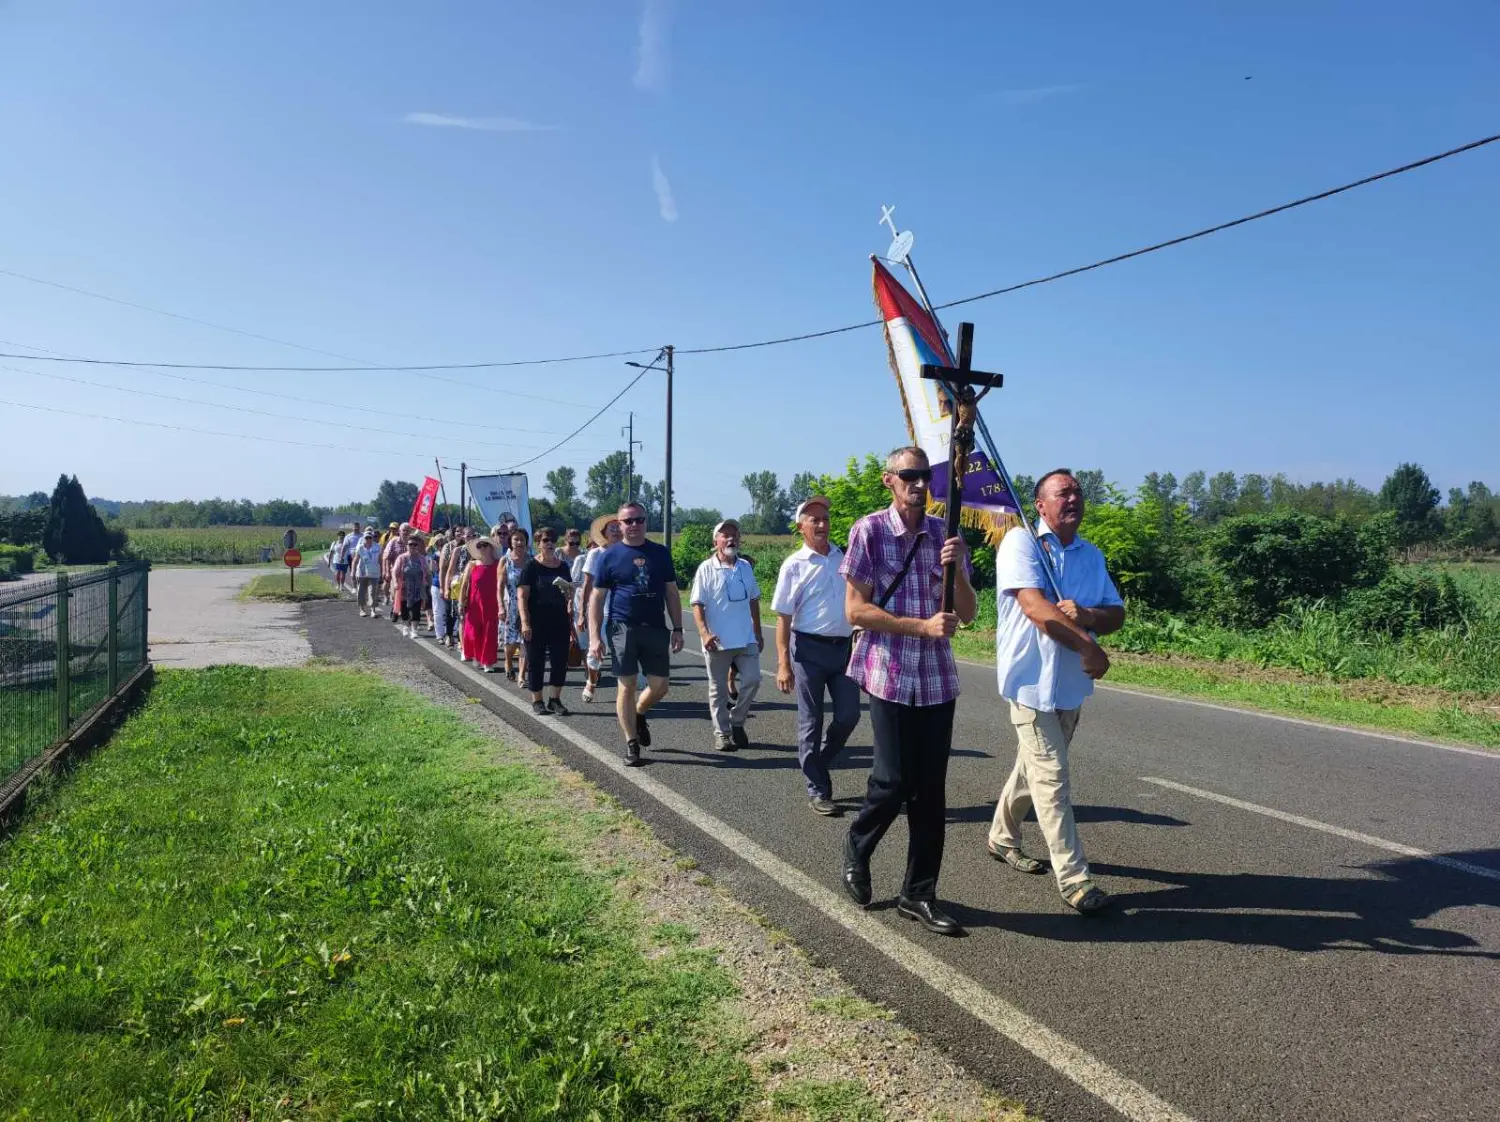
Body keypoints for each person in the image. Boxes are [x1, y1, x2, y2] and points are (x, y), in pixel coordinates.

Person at [839, 446, 976, 937]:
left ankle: (918, 893)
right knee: (893, 780)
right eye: (909, 476)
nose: (919, 484)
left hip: (937, 678)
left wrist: (957, 569)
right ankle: (858, 844)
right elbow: (856, 611)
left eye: (926, 476)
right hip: (889, 671)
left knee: (930, 791)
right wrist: (920, 627)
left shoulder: (945, 534)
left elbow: (969, 612)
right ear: (889, 481)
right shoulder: (870, 531)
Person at [988, 469, 1125, 915]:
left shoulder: (1091, 555)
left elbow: (1115, 614)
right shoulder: (1021, 543)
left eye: (1078, 492)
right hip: (1029, 682)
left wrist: (1088, 615)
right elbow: (1035, 608)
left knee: (1034, 769)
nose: (1073, 499)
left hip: (1069, 686)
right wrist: (1090, 647)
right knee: (1053, 779)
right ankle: (1074, 879)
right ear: (1041, 506)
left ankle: (1001, 836)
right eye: (1062, 493)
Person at [772, 495, 860, 816]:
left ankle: (817, 763)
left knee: (849, 715)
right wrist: (783, 663)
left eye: (825, 518)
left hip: (843, 649)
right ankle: (818, 789)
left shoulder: (844, 557)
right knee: (811, 720)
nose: (822, 524)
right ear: (801, 527)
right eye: (814, 520)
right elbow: (783, 618)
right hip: (808, 650)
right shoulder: (793, 566)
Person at [588, 501, 684, 766]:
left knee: (660, 686)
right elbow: (597, 598)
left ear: (646, 522)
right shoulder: (608, 555)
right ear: (618, 524)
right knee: (627, 685)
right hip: (622, 628)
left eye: (638, 520)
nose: (633, 525)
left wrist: (677, 628)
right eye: (627, 521)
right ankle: (631, 743)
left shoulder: (660, 553)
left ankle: (640, 712)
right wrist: (595, 637)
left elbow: (672, 592)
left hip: (654, 627)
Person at [690, 518, 763, 751]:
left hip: (745, 637)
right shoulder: (706, 568)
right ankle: (722, 734)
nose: (731, 538)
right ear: (716, 541)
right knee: (718, 689)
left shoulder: (745, 567)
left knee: (753, 680)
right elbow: (697, 603)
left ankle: (737, 720)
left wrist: (758, 631)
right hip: (718, 641)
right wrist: (704, 633)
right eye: (725, 534)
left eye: (734, 534)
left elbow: (753, 600)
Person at [518, 527, 574, 716]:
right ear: (538, 544)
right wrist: (525, 622)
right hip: (536, 621)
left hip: (559, 621)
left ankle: (555, 700)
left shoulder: (563, 566)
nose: (549, 543)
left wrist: (569, 594)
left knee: (559, 661)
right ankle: (538, 700)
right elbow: (522, 596)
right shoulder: (531, 566)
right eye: (544, 540)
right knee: (536, 661)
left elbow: (569, 593)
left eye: (551, 540)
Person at [577, 514, 623, 703]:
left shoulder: (628, 553)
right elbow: (587, 584)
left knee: (625, 650)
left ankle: (625, 692)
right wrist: (581, 613)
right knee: (596, 648)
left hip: (623, 609)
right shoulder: (596, 554)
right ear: (604, 533)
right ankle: (592, 681)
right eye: (611, 527)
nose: (615, 530)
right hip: (600, 609)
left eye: (617, 527)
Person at [459, 534, 500, 672]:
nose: (482, 547)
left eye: (485, 545)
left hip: (492, 603)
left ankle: (488, 662)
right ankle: (477, 656)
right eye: (479, 545)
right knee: (473, 632)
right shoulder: (472, 565)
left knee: (490, 632)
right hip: (474, 604)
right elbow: (464, 585)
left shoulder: (498, 564)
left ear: (491, 547)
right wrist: (461, 602)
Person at [497, 526, 531, 683]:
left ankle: (522, 675)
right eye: (516, 539)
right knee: (511, 642)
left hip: (529, 607)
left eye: (522, 539)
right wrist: (501, 607)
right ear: (511, 542)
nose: (519, 542)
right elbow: (499, 586)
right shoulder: (505, 560)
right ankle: (509, 662)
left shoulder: (531, 561)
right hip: (510, 605)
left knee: (526, 640)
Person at [392, 533, 429, 639]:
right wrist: (395, 582)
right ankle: (405, 626)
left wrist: (428, 586)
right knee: (405, 609)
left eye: (415, 545)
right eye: (410, 544)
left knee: (416, 609)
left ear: (418, 546)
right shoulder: (402, 558)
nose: (412, 546)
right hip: (404, 587)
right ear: (407, 546)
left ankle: (414, 629)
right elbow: (395, 571)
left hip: (418, 587)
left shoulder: (422, 559)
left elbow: (428, 573)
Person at [352, 528, 384, 617]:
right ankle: (362, 609)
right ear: (364, 538)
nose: (368, 539)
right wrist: (353, 571)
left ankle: (373, 610)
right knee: (361, 591)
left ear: (372, 538)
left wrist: (382, 571)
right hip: (362, 572)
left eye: (370, 537)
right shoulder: (360, 547)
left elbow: (381, 560)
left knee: (373, 591)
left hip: (374, 572)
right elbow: (355, 560)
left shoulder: (378, 547)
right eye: (367, 538)